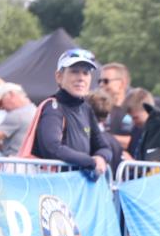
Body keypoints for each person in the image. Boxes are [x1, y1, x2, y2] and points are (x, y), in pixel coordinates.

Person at [32, 48, 111, 177]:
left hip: (77, 188)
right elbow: (52, 148)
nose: (81, 78)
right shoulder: (53, 107)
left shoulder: (86, 109)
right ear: (59, 76)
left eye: (86, 73)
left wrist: (101, 158)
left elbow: (104, 147)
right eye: (74, 71)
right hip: (53, 187)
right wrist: (90, 162)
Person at [0, 83, 37, 160]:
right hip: (28, 164)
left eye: (1, 102)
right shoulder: (34, 110)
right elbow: (15, 147)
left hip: (15, 165)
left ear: (11, 94)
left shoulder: (17, 115)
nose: (1, 107)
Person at [99, 62, 134, 152]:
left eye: (106, 81)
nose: (101, 85)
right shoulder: (96, 108)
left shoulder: (134, 110)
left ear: (122, 83)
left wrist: (104, 136)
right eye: (100, 81)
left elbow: (134, 142)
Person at [123, 88, 154, 160]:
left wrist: (132, 162)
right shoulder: (136, 129)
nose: (133, 122)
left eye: (135, 118)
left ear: (147, 110)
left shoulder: (158, 132)